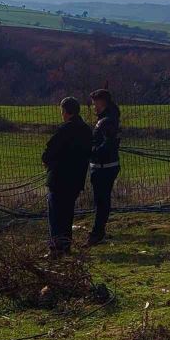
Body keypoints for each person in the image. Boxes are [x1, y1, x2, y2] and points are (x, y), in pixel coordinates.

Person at [41, 97, 92, 257]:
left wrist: (48, 161)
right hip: (76, 179)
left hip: (59, 178)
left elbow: (49, 152)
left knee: (56, 214)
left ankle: (56, 248)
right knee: (67, 213)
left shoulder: (65, 129)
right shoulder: (86, 130)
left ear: (65, 112)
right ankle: (66, 245)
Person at [87, 89, 121, 247]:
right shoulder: (110, 117)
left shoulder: (106, 121)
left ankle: (97, 232)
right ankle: (98, 230)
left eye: (95, 103)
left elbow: (107, 145)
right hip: (106, 165)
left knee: (101, 201)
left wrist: (91, 152)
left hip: (103, 167)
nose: (93, 107)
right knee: (102, 201)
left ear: (101, 102)